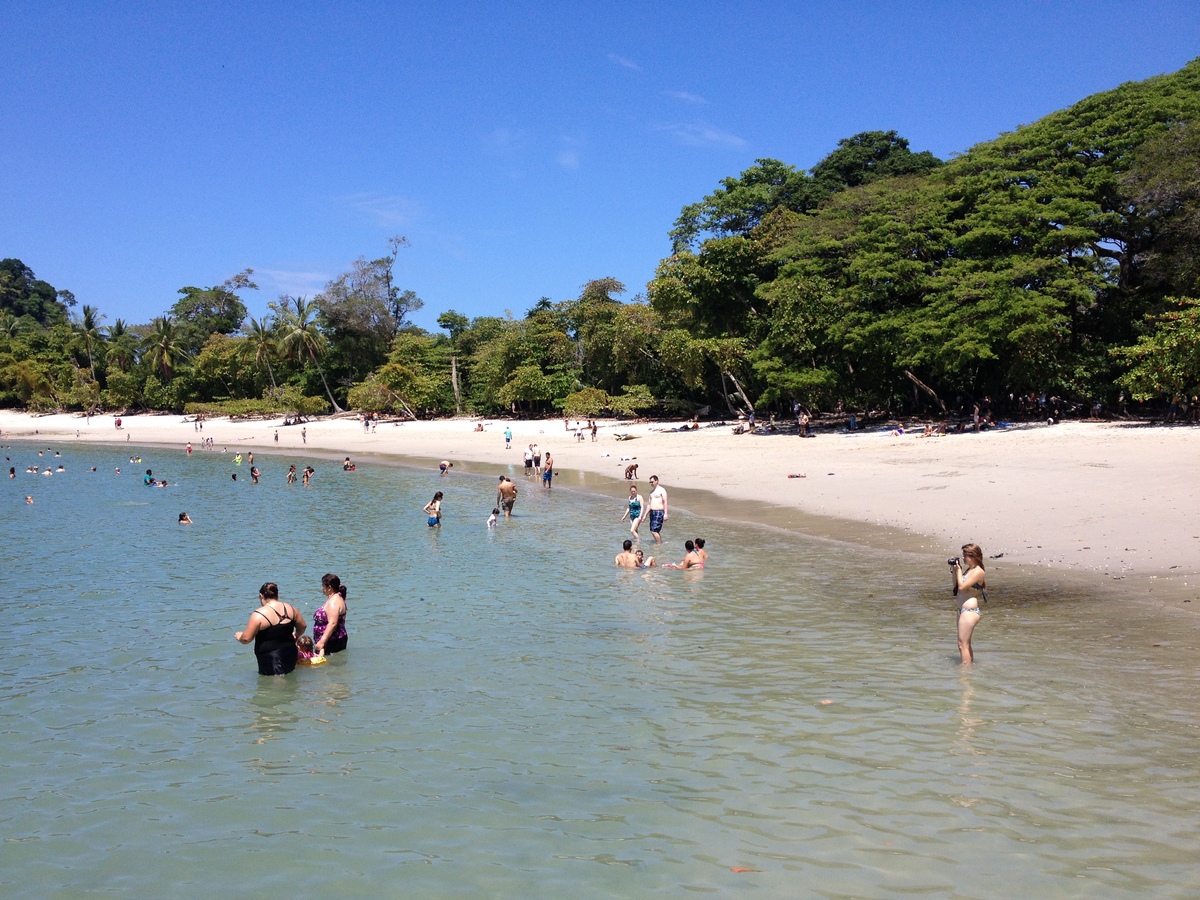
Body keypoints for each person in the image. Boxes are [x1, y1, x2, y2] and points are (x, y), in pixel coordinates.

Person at [235, 582, 307, 676]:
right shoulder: (291, 609)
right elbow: (303, 626)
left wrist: (240, 636)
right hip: (290, 654)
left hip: (271, 659)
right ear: (278, 595)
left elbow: (246, 638)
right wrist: (296, 635)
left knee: (275, 687)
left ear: (261, 596)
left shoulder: (259, 615)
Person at [950, 543, 987, 664]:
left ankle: (965, 674)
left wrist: (960, 571)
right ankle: (969, 670)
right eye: (963, 555)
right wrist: (955, 571)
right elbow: (956, 587)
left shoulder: (978, 571)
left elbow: (962, 587)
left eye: (966, 555)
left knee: (962, 645)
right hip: (962, 611)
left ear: (974, 556)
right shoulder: (968, 570)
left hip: (969, 611)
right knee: (964, 644)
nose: (964, 558)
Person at [312, 573, 348, 656]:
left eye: (323, 586)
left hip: (331, 641)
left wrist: (322, 641)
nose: (322, 588)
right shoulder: (337, 598)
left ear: (329, 588)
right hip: (336, 639)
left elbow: (333, 623)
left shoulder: (334, 602)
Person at [640, 475, 668, 544]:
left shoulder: (662, 490)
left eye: (652, 482)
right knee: (654, 530)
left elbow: (665, 502)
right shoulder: (651, 492)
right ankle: (660, 543)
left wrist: (666, 513)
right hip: (652, 512)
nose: (651, 483)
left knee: (654, 531)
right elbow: (649, 504)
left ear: (656, 481)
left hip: (659, 511)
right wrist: (645, 515)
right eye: (650, 482)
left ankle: (659, 544)